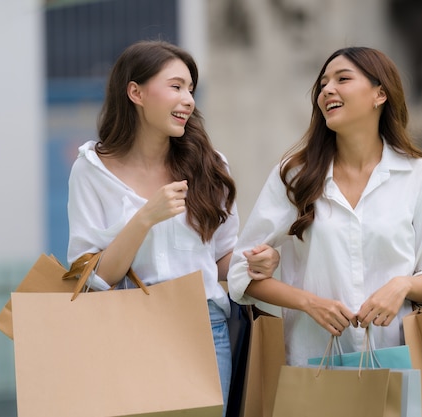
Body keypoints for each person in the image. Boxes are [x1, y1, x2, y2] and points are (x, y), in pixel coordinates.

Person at [66, 40, 278, 416]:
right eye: (176, 86)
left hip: (203, 327)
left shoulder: (210, 166)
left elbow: (222, 258)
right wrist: (146, 217)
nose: (188, 100)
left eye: (191, 90)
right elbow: (94, 278)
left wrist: (255, 262)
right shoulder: (91, 169)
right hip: (125, 329)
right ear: (136, 92)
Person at [227, 46, 422, 366]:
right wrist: (309, 302)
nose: (327, 89)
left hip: (394, 359)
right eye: (323, 84)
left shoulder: (420, 175)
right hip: (312, 362)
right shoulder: (294, 175)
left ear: (380, 95)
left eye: (342, 79)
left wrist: (402, 285)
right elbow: (241, 275)